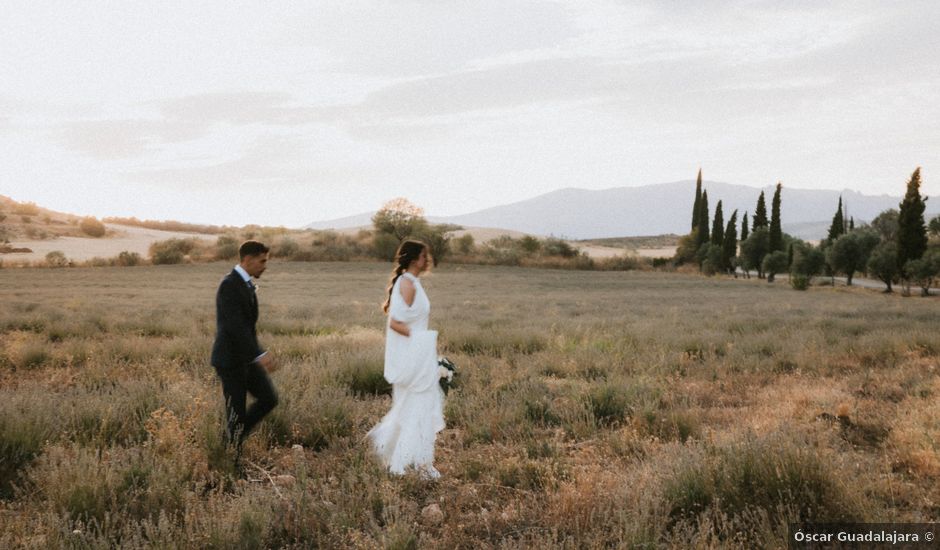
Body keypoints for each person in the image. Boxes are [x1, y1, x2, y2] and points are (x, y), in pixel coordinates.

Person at [367, 240, 445, 478]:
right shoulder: (407, 284)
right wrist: (422, 341)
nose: (427, 260)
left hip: (418, 354)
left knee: (416, 407)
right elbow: (396, 323)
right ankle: (411, 464)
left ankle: (415, 460)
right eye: (424, 256)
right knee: (417, 408)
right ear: (414, 260)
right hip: (414, 356)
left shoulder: (412, 282)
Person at [210, 240, 279, 453]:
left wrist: (256, 355)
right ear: (247, 260)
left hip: (246, 359)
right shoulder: (229, 285)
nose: (265, 266)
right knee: (236, 413)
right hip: (230, 360)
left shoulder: (246, 283)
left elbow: (246, 328)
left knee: (269, 399)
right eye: (262, 261)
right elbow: (235, 327)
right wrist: (260, 354)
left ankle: (232, 439)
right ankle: (230, 455)